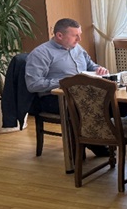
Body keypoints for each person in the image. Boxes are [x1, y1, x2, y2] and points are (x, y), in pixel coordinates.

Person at [25, 18, 117, 157]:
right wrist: (66, 82)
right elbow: (33, 84)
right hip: (53, 98)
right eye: (75, 35)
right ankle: (88, 145)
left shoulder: (77, 48)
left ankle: (98, 138)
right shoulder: (41, 54)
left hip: (82, 93)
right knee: (85, 107)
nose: (79, 39)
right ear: (59, 35)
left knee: (115, 104)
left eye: (79, 34)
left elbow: (91, 66)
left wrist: (100, 69)